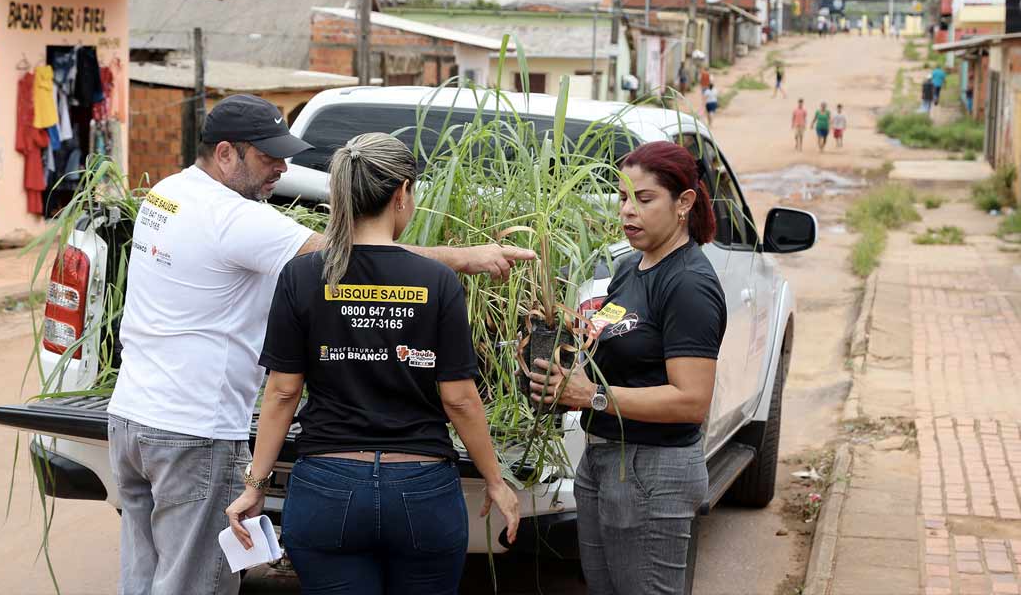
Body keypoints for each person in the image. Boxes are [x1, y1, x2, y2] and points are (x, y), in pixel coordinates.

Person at [106, 95, 532, 595]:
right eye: (268, 157)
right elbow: (354, 257)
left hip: (132, 418)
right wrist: (462, 259)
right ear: (226, 154)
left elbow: (286, 388)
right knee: (192, 582)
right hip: (193, 427)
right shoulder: (234, 219)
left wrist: (256, 481)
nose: (282, 169)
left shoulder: (167, 194)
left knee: (142, 573)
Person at [225, 133, 521, 594]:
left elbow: (283, 391)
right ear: (402, 193)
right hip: (421, 490)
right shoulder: (438, 281)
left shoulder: (303, 276)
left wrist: (255, 484)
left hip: (327, 490)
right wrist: (494, 480)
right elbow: (460, 400)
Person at [527, 141, 726, 595]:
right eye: (622, 197)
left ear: (684, 203)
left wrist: (591, 396)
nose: (628, 211)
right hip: (604, 460)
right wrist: (558, 333)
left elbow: (691, 401)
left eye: (644, 198)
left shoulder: (689, 284)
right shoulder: (628, 268)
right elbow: (618, 345)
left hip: (653, 470)